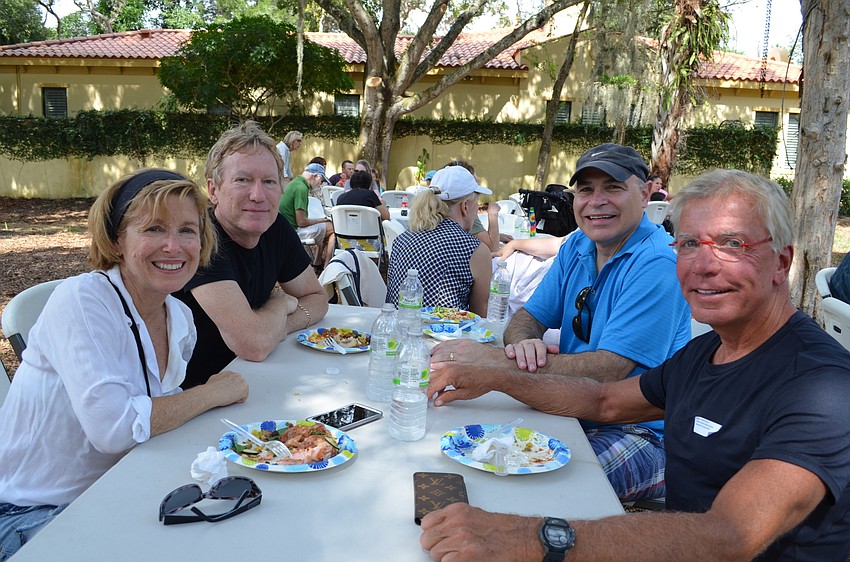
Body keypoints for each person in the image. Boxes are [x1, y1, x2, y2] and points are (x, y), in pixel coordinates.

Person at [422, 169, 850, 562]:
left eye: (732, 244)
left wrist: (530, 539)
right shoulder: (708, 353)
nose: (703, 265)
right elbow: (604, 400)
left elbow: (728, 538)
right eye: (688, 244)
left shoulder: (822, 387)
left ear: (781, 262)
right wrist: (496, 377)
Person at [0, 170, 249, 560]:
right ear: (117, 240)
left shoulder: (178, 317)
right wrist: (212, 392)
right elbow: (116, 429)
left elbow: (154, 422)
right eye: (153, 229)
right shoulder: (82, 299)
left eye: (188, 231)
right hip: (30, 512)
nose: (173, 246)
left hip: (116, 490)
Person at [431, 144, 691, 502]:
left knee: (530, 495)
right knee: (465, 453)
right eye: (585, 189)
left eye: (613, 187)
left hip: (640, 433)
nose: (596, 201)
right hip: (572, 407)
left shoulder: (657, 265)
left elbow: (609, 369)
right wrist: (524, 346)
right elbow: (525, 319)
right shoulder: (578, 245)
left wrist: (497, 364)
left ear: (646, 193)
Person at [174, 121, 328, 389]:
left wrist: (275, 329)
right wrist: (279, 304)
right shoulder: (200, 238)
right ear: (213, 191)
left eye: (269, 181)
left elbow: (317, 299)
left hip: (250, 380)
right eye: (242, 180)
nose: (258, 196)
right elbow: (254, 345)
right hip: (192, 396)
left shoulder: (275, 227)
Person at [385, 166, 492, 317]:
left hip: (399, 333)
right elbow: (480, 316)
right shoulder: (476, 250)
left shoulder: (402, 239)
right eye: (477, 204)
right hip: (448, 337)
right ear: (465, 206)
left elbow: (391, 297)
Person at [443, 159, 510, 252]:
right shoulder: (462, 214)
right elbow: (491, 247)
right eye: (476, 196)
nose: (478, 180)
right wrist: (493, 215)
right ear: (465, 206)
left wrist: (497, 236)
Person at [279, 162, 336, 269]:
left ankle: (317, 261)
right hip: (294, 231)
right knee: (333, 228)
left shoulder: (294, 183)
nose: (320, 184)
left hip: (285, 229)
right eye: (321, 180)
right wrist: (321, 220)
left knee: (326, 226)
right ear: (315, 177)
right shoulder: (302, 188)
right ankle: (327, 267)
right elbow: (302, 222)